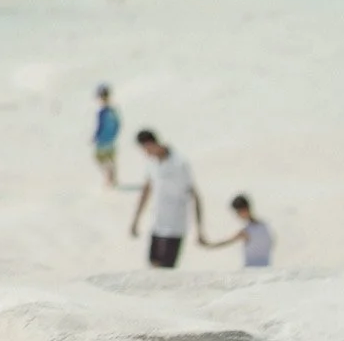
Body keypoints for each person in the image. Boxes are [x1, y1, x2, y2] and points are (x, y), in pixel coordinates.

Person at [130, 130, 203, 269]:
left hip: (175, 226)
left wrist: (199, 229)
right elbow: (146, 190)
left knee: (167, 270)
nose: (146, 153)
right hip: (157, 223)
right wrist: (135, 220)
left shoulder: (179, 163)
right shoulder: (152, 163)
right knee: (153, 265)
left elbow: (195, 195)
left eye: (146, 148)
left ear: (152, 143)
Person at [203, 195, 272, 268]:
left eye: (237, 212)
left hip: (252, 270)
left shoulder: (246, 231)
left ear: (244, 210)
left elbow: (226, 242)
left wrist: (207, 244)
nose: (237, 215)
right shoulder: (264, 225)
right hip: (267, 268)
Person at [91, 84, 121, 187]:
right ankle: (113, 179)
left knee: (100, 159)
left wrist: (95, 137)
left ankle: (109, 179)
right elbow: (118, 124)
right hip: (111, 139)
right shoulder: (113, 110)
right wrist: (114, 135)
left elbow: (100, 126)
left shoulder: (102, 112)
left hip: (103, 140)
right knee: (111, 160)